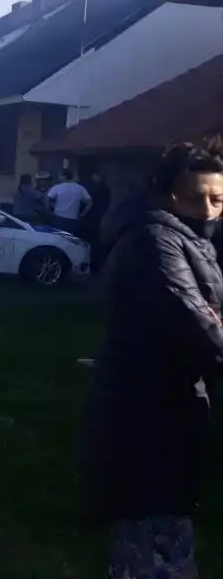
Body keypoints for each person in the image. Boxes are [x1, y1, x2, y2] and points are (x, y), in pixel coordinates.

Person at [79, 138, 223, 578]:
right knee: (154, 545)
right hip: (146, 419)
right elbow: (202, 330)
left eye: (217, 199)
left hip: (169, 412)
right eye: (195, 197)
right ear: (165, 193)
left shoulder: (188, 240)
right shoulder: (155, 241)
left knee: (158, 538)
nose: (209, 210)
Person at [46, 168, 91, 234]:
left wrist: (49, 211)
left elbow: (47, 199)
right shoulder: (80, 188)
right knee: (70, 239)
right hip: (73, 219)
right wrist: (83, 214)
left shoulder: (57, 187)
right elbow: (90, 202)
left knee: (57, 238)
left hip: (58, 218)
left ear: (63, 176)